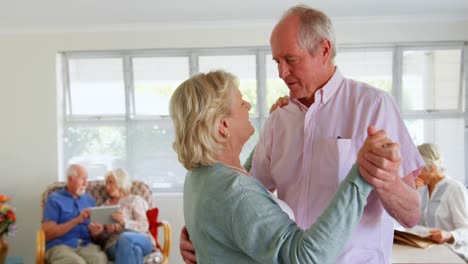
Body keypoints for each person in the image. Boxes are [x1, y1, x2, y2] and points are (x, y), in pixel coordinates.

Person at [176, 5, 425, 264]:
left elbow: (411, 215)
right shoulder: (278, 119)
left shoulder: (373, 106)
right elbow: (243, 193)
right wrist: (203, 231)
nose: (281, 73)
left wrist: (388, 181)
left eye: (291, 60)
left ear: (324, 50)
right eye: (277, 61)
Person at [171, 70, 403, 263]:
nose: (248, 105)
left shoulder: (200, 176)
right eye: (241, 102)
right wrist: (363, 172)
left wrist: (277, 127)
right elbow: (306, 257)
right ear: (223, 125)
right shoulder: (238, 193)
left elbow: (243, 179)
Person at [88, 168, 156, 264]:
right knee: (135, 251)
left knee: (125, 238)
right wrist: (99, 232)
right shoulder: (104, 207)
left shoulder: (134, 200)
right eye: (106, 184)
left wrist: (124, 222)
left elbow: (144, 225)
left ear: (121, 182)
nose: (107, 187)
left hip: (140, 239)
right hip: (113, 245)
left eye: (111, 183)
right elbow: (100, 239)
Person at [42, 164, 107, 264]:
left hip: (85, 245)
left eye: (87, 179)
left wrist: (96, 232)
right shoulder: (54, 199)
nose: (86, 183)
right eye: (82, 179)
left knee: (100, 259)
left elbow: (95, 233)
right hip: (60, 245)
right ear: (70, 178)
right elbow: (48, 233)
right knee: (76, 262)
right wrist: (76, 220)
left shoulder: (89, 200)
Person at [416, 143, 468, 261]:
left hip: (453, 254)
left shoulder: (455, 190)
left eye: (419, 170)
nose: (416, 174)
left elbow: (466, 230)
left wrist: (449, 235)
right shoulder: (421, 188)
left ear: (433, 170)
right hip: (427, 253)